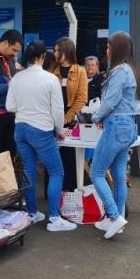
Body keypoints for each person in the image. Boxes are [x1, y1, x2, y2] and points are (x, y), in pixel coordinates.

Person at [5, 40, 74, 232]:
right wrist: (59, 131)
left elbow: (9, 106)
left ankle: (32, 213)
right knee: (57, 172)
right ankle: (54, 218)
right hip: (41, 130)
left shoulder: (17, 78)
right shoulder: (50, 79)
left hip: (20, 129)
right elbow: (58, 110)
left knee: (29, 170)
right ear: (42, 57)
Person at [90, 32, 140, 239]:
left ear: (116, 49)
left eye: (108, 46)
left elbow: (110, 102)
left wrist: (94, 117)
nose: (106, 50)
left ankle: (114, 216)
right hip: (128, 125)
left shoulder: (119, 71)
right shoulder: (131, 70)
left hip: (116, 125)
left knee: (96, 172)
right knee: (119, 176)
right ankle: (116, 218)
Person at [52, 37, 88, 190]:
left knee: (69, 157)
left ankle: (70, 190)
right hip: (52, 119)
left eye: (57, 50)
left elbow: (82, 98)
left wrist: (67, 118)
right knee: (53, 158)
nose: (54, 54)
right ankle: (53, 192)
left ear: (65, 52)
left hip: (70, 120)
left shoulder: (80, 71)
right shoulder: (52, 71)